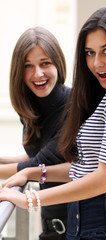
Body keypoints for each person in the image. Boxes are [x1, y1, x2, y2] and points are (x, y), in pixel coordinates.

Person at [0, 5, 106, 240]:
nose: (97, 63)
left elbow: (105, 179)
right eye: (90, 53)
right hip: (89, 226)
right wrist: (34, 172)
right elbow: (85, 169)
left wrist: (29, 199)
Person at [0, 27, 70, 240]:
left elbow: (40, 164)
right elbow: (39, 153)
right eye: (28, 66)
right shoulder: (32, 108)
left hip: (79, 228)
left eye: (45, 63)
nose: (37, 73)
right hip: (52, 226)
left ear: (58, 63)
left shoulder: (73, 106)